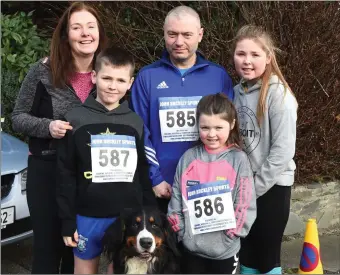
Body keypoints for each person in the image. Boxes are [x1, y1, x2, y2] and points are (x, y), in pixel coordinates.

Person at [11, 2, 107, 273]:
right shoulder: (43, 71)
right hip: (47, 171)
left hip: (89, 175)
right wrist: (48, 126)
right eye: (77, 27)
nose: (85, 33)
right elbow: (18, 116)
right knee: (47, 251)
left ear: (99, 32)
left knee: (78, 249)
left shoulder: (108, 73)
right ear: (65, 35)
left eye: (91, 26)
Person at [56, 46, 156, 274]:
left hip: (126, 218)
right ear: (94, 76)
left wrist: (148, 211)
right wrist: (67, 220)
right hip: (87, 216)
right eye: (107, 78)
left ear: (130, 83)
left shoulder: (135, 122)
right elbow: (65, 174)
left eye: (120, 80)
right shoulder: (75, 119)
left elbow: (142, 172)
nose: (113, 86)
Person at [130, 5, 234, 214]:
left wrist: (222, 176)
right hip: (162, 186)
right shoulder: (147, 77)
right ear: (164, 34)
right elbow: (139, 131)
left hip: (208, 185)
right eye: (172, 34)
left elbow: (229, 131)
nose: (179, 42)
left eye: (187, 34)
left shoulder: (218, 76)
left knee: (202, 247)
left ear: (200, 35)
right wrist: (154, 177)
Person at [232, 25, 298, 274]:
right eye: (241, 54)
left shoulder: (279, 95)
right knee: (247, 253)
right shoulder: (237, 92)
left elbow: (282, 152)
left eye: (255, 55)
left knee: (267, 256)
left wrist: (253, 188)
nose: (247, 61)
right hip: (244, 186)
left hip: (271, 188)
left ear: (268, 57)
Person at [167, 93, 256, 274]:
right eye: (205, 127)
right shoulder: (188, 158)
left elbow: (245, 202)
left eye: (218, 127)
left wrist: (232, 234)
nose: (212, 134)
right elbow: (176, 195)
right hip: (191, 248)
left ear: (231, 125)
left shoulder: (238, 160)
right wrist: (182, 231)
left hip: (224, 251)